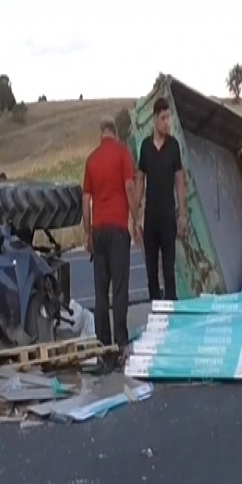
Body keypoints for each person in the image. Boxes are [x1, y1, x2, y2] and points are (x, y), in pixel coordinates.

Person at [82, 115, 139, 373]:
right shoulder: (122, 153)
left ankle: (103, 348)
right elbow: (129, 187)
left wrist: (87, 233)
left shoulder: (92, 160)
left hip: (99, 230)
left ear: (101, 133)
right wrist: (136, 219)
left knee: (101, 292)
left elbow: (85, 201)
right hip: (117, 229)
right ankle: (121, 344)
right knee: (120, 289)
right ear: (115, 133)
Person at [135, 98, 187, 301]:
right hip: (150, 218)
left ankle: (172, 311)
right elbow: (140, 181)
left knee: (168, 270)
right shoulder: (145, 147)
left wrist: (182, 214)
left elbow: (180, 181)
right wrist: (135, 216)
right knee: (151, 271)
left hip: (167, 217)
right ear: (155, 119)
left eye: (169, 118)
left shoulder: (173, 146)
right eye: (163, 118)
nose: (167, 122)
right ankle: (156, 309)